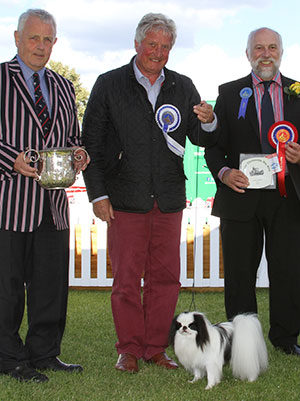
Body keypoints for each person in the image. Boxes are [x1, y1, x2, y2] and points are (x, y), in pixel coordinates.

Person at [82, 13, 219, 373]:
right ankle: (128, 349)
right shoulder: (109, 84)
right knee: (126, 279)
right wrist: (98, 195)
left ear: (171, 50)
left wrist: (209, 121)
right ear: (137, 43)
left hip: (170, 198)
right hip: (125, 198)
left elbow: (198, 137)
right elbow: (91, 143)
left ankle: (156, 348)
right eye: (152, 44)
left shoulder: (183, 85)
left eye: (165, 46)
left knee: (165, 279)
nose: (158, 52)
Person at [0, 9, 85, 382]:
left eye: (47, 39)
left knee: (51, 286)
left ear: (55, 43)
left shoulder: (65, 86)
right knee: (6, 288)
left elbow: (73, 140)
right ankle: (8, 357)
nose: (40, 46)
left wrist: (80, 154)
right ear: (17, 38)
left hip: (53, 205)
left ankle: (45, 353)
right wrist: (9, 159)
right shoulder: (1, 78)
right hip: (9, 204)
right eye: (33, 38)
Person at [205, 27, 300, 355]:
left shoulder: (298, 92)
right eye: (258, 48)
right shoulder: (229, 93)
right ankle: (243, 340)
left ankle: (286, 338)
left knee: (288, 270)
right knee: (239, 273)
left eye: (272, 47)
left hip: (287, 197)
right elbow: (213, 148)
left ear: (281, 52)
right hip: (240, 195)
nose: (265, 54)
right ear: (247, 54)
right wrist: (225, 172)